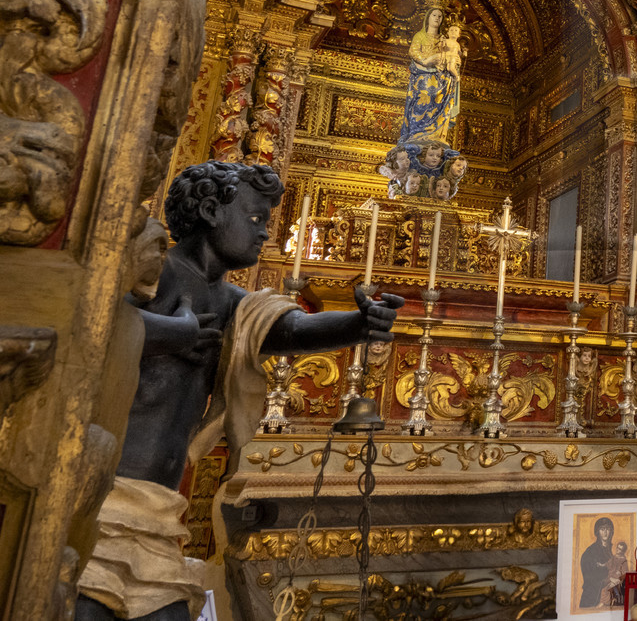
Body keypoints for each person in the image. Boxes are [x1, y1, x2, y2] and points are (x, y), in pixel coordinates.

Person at [76, 162, 404, 621]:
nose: (264, 233)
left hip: (158, 505)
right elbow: (92, 321)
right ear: (211, 211)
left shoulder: (233, 303)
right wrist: (175, 334)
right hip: (101, 495)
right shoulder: (158, 272)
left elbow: (290, 329)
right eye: (255, 218)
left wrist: (358, 323)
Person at [399, 3, 461, 144]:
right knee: (422, 103)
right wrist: (426, 61)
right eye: (434, 15)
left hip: (441, 79)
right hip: (423, 76)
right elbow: (413, 52)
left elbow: (450, 55)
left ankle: (435, 135)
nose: (437, 18)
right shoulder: (420, 36)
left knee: (438, 103)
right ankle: (417, 134)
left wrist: (455, 59)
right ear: (428, 17)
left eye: (440, 16)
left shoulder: (443, 39)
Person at [578, 517, 615, 609]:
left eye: (607, 529)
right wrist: (609, 580)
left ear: (611, 531)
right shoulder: (590, 552)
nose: (605, 532)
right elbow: (590, 577)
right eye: (602, 529)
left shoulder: (609, 550)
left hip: (608, 595)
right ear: (597, 532)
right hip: (593, 598)